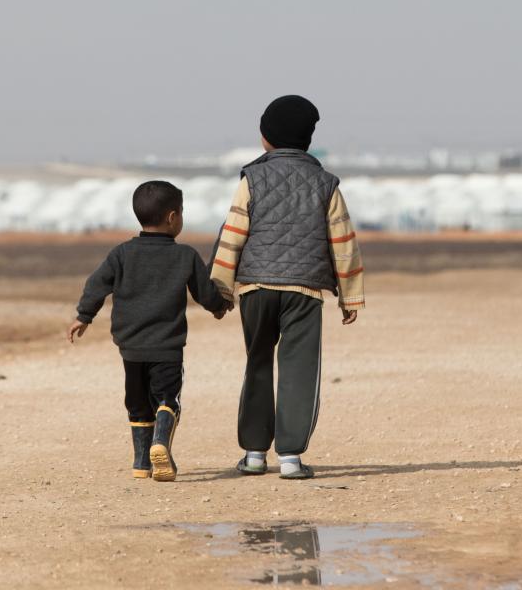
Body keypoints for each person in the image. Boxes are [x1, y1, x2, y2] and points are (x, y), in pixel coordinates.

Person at [209, 95, 366, 480]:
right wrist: (350, 295)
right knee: (299, 369)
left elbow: (232, 235)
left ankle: (254, 454)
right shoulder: (326, 184)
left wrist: (221, 290)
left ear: (266, 138)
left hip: (255, 289)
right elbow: (343, 242)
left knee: (258, 363)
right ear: (307, 141)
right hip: (305, 291)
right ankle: (292, 458)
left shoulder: (252, 178)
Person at [68, 180, 232, 482]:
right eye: (181, 213)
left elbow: (96, 284)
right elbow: (204, 292)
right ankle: (161, 442)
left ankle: (141, 463)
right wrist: (219, 306)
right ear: (172, 218)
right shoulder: (185, 256)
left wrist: (84, 315)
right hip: (166, 347)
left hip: (130, 346)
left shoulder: (122, 253)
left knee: (138, 403)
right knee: (168, 400)